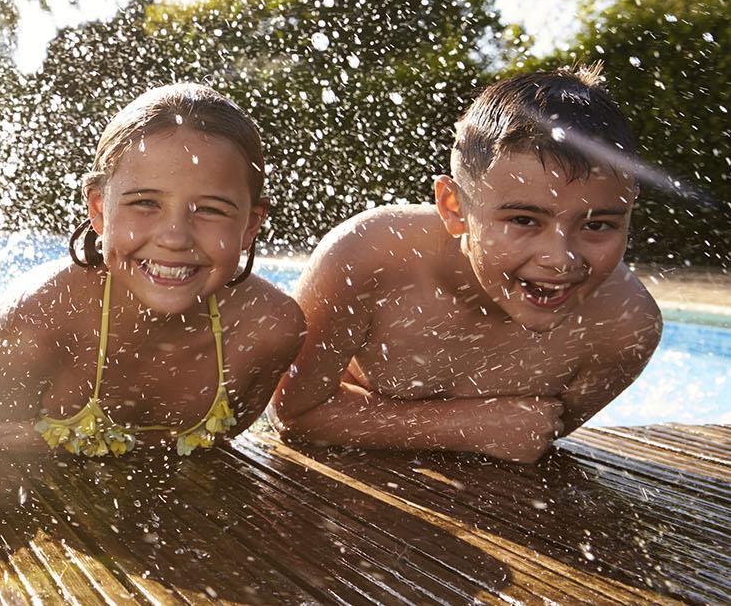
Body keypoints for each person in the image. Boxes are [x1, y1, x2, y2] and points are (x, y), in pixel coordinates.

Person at [271, 67, 662, 463]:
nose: (561, 259)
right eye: (524, 220)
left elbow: (530, 437)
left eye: (597, 225)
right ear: (453, 208)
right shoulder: (371, 255)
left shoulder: (625, 328)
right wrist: (468, 424)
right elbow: (293, 413)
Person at [0, 83, 303, 457]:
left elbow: (219, 449)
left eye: (211, 209)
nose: (176, 237)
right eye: (146, 203)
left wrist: (69, 446)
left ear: (250, 225)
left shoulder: (270, 329)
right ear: (99, 209)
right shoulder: (40, 321)